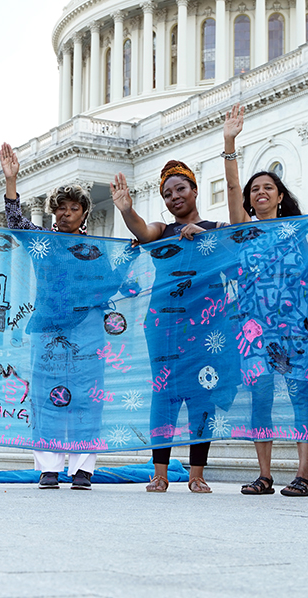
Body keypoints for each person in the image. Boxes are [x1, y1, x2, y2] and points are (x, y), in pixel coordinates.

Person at [222, 104, 308, 498]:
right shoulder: (243, 233)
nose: (260, 192)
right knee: (261, 395)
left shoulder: (297, 232)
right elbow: (232, 188)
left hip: (295, 325)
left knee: (300, 393)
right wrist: (229, 142)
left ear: (281, 195)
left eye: (268, 187)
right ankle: (264, 475)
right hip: (254, 326)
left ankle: (303, 474)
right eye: (255, 190)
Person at [111, 161, 236, 493]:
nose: (174, 197)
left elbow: (237, 259)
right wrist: (126, 211)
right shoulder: (162, 231)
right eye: (167, 194)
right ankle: (160, 473)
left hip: (208, 325)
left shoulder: (217, 227)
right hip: (164, 323)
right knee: (163, 393)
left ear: (195, 190)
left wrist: (206, 237)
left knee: (202, 391)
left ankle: (197, 474)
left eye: (181, 189)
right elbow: (141, 231)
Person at [0, 142, 104, 490]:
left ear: (84, 212)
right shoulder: (42, 241)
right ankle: (49, 467)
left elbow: (115, 284)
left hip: (87, 331)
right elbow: (15, 221)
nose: (64, 214)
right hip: (47, 330)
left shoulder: (99, 250)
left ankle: (83, 469)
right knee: (46, 397)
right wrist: (11, 181)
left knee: (86, 397)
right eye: (59, 208)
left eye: (73, 208)